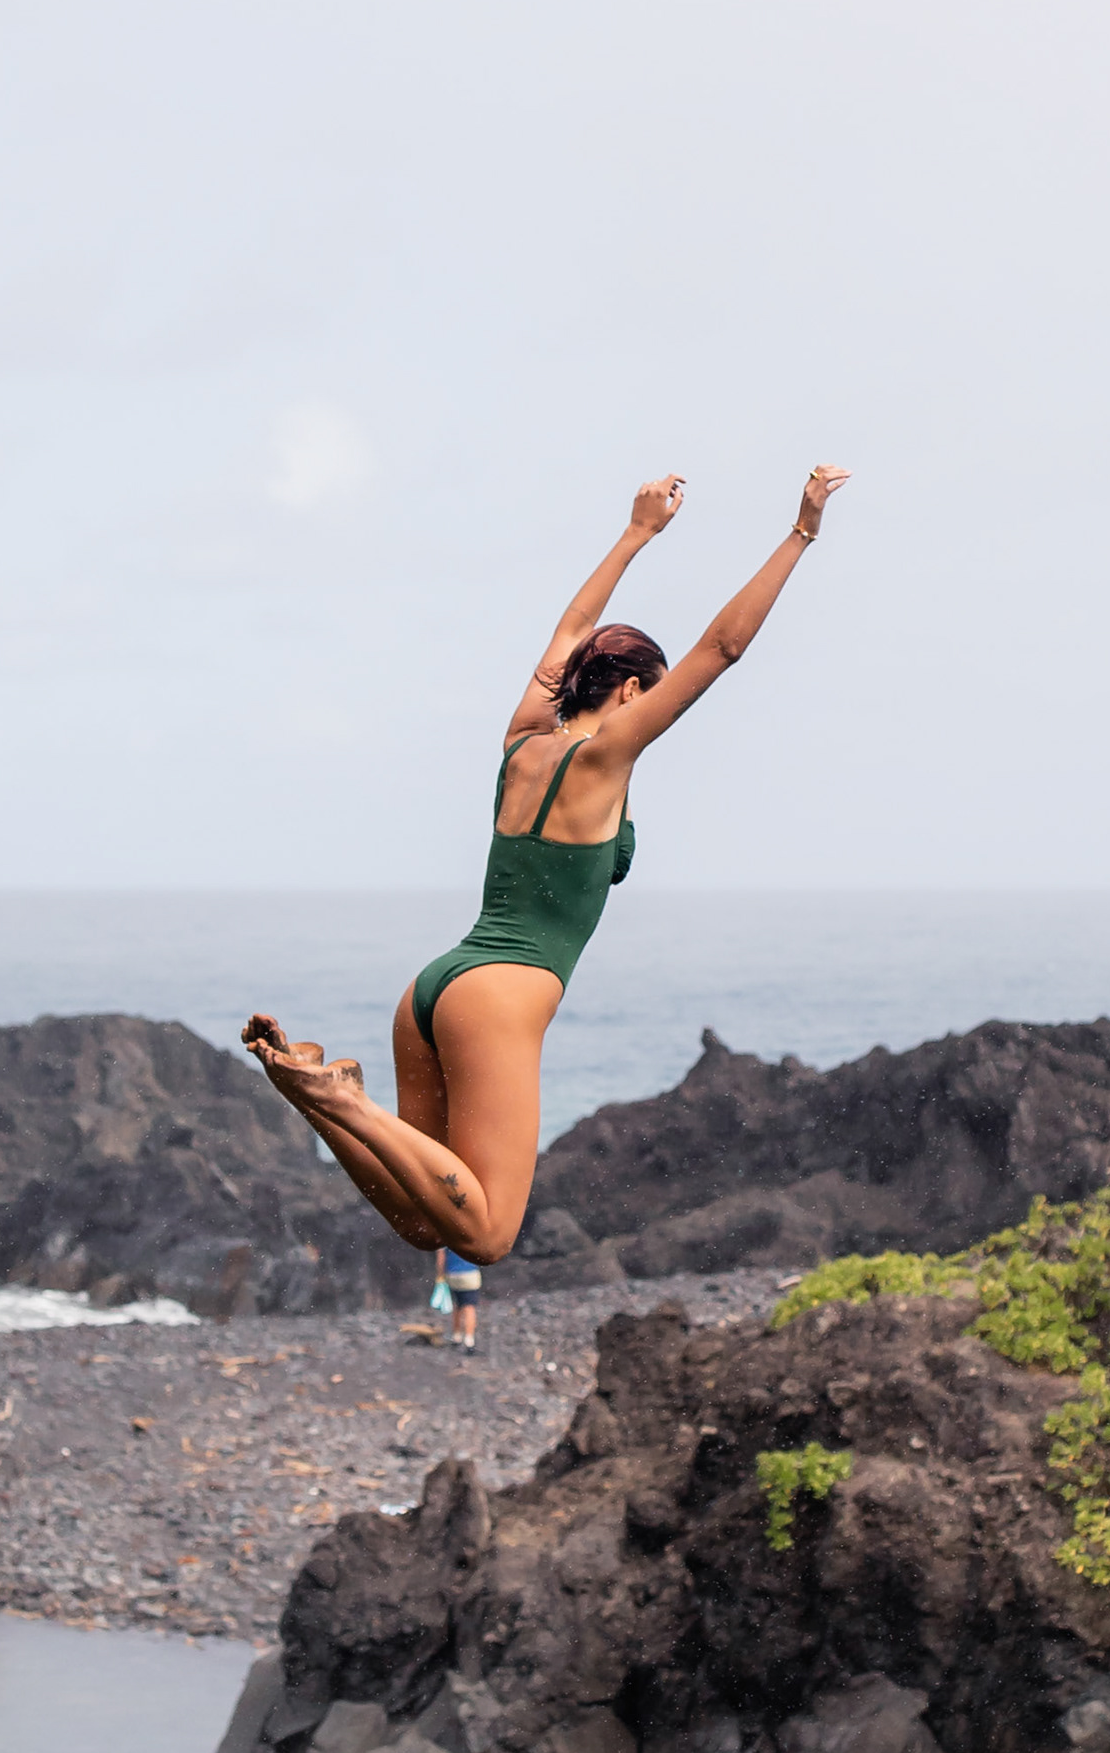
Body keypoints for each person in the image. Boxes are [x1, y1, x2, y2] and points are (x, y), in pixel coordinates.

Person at [246, 461, 846, 1273]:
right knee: (488, 1236)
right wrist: (801, 531)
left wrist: (637, 533)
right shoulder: (606, 755)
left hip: (432, 990)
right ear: (629, 691)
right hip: (499, 997)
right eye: (648, 696)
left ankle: (315, 1092)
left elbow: (569, 632)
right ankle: (344, 1100)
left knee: (425, 1222)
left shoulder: (522, 742)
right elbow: (723, 646)